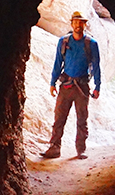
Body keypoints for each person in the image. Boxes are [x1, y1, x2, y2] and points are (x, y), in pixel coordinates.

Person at [41, 11, 101, 159]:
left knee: (82, 119)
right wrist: (52, 82)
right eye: (75, 22)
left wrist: (98, 86)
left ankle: (81, 150)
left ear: (84, 24)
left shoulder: (91, 44)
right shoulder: (64, 42)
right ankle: (54, 148)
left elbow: (96, 66)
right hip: (66, 85)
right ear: (71, 24)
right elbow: (57, 63)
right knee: (59, 118)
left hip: (82, 87)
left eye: (80, 22)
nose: (77, 25)